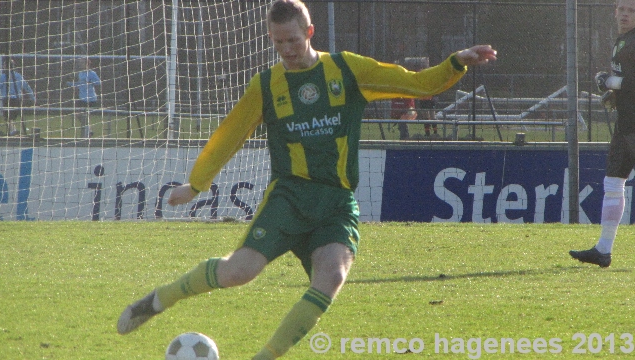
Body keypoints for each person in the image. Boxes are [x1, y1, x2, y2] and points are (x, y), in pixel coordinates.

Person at [116, 1, 496, 358]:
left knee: (331, 276)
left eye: (293, 40)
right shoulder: (266, 85)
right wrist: (196, 183)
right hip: (290, 197)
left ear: (310, 32)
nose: (286, 49)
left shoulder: (348, 70)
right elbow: (229, 134)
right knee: (238, 272)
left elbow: (417, 83)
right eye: (278, 42)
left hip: (336, 202)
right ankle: (158, 300)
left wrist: (455, 63)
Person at [570, 0, 635, 268]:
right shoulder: (623, 40)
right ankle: (603, 250)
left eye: (631, 11)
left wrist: (609, 82)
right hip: (626, 123)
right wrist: (613, 93)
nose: (624, 15)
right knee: (612, 183)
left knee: (614, 184)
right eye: (621, 9)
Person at [0, 58, 36, 136]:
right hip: (17, 99)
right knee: (12, 117)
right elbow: (26, 87)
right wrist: (32, 97)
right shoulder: (18, 76)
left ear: (5, 67)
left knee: (8, 117)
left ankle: (13, 131)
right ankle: (13, 131)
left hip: (7, 99)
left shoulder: (3, 76)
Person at [68, 58, 101, 138]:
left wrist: (90, 82)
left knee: (83, 115)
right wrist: (71, 84)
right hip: (82, 98)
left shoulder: (92, 73)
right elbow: (79, 84)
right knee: (79, 114)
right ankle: (89, 131)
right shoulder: (80, 74)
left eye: (82, 63)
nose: (80, 65)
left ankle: (87, 132)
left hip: (90, 98)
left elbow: (98, 82)